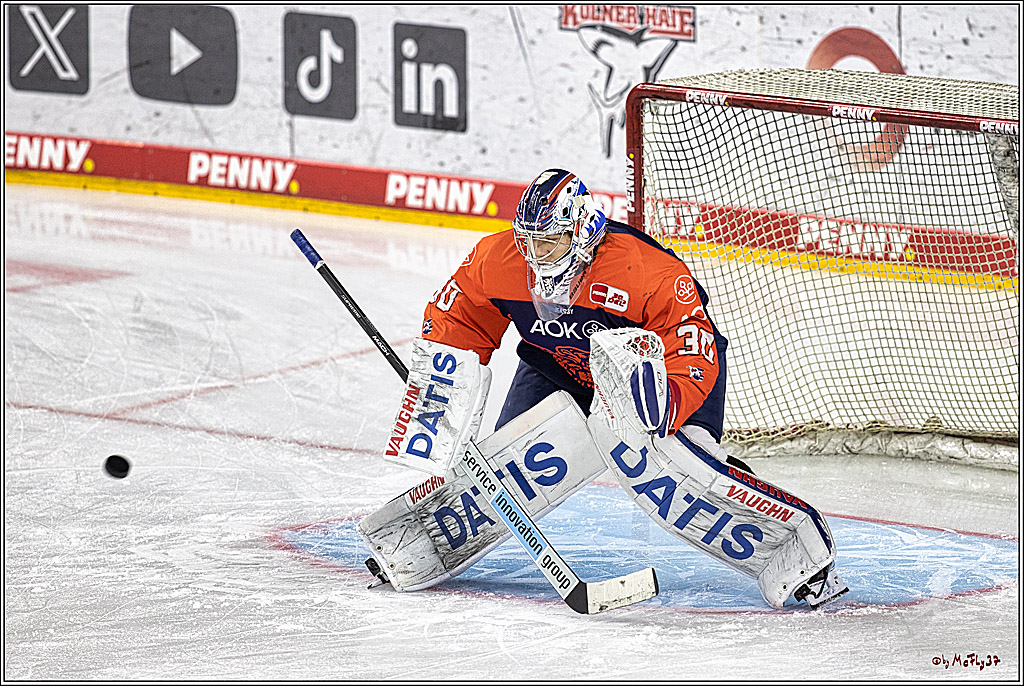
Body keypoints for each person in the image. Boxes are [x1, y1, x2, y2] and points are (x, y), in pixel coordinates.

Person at [420, 167, 740, 466]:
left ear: (582, 231)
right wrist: (443, 388)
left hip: (649, 381)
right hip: (554, 366)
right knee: (508, 461)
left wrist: (669, 407)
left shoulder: (647, 272)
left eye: (547, 240)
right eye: (527, 239)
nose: (534, 253)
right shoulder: (496, 259)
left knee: (692, 457)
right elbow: (459, 320)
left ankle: (706, 453)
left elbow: (690, 347)